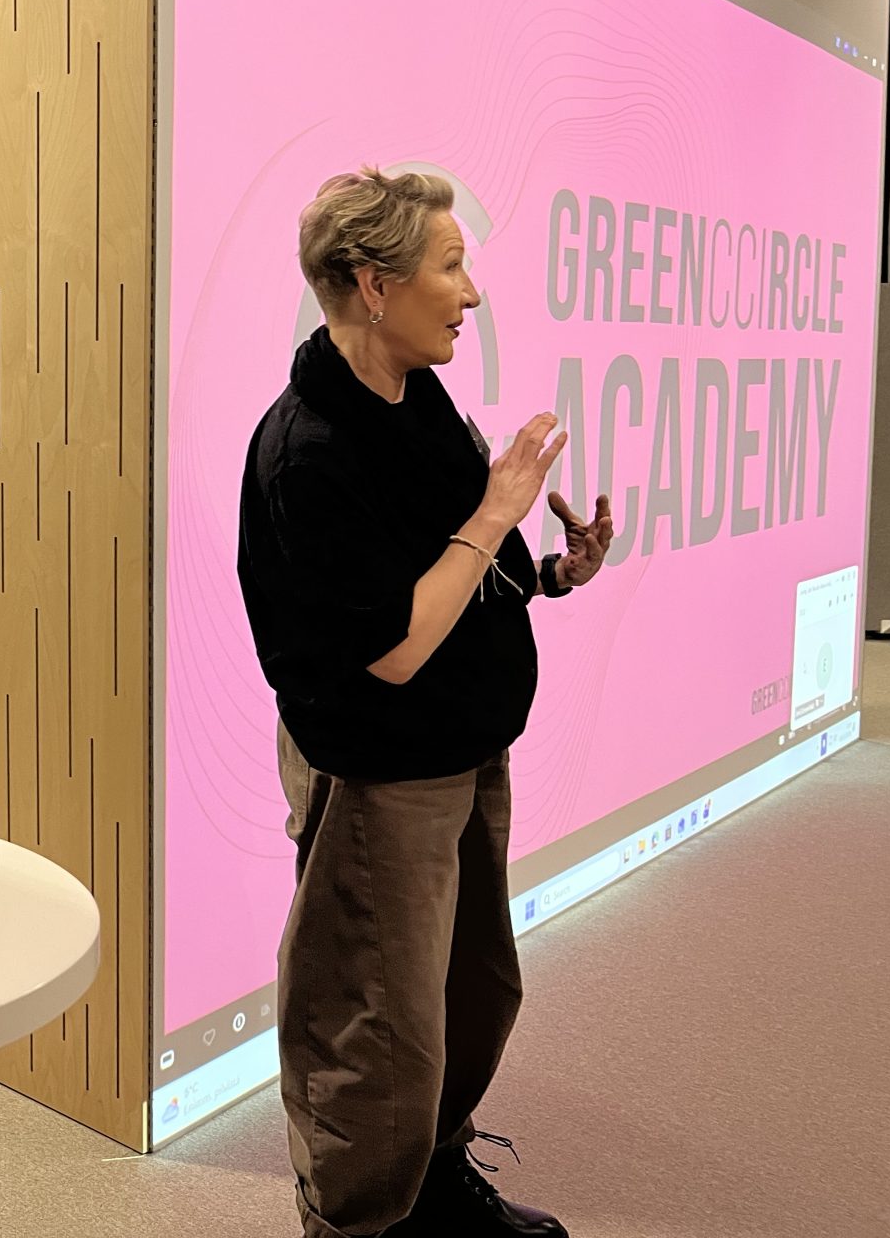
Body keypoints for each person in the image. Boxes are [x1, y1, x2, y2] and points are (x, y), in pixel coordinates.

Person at [237, 168, 615, 1238]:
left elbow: (450, 570)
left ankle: (432, 1187)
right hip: (380, 777)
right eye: (451, 267)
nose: (472, 294)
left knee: (469, 995)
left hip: (462, 751)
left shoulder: (415, 398)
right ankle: (358, 1224)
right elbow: (397, 648)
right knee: (376, 1035)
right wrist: (499, 508)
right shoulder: (310, 449)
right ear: (373, 285)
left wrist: (550, 572)